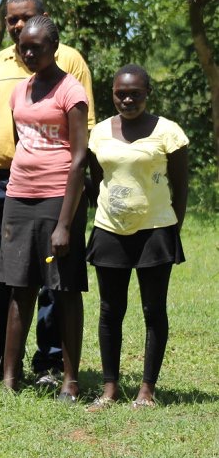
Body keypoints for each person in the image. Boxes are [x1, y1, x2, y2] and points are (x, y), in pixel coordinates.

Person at [0, 0, 94, 383]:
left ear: (53, 47)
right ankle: (10, 376)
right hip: (16, 192)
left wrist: (65, 222)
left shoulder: (70, 87)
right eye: (24, 48)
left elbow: (79, 155)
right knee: (18, 286)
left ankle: (68, 376)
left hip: (58, 195)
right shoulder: (19, 88)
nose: (28, 55)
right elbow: (8, 135)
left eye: (36, 48)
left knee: (62, 288)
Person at [85, 65, 188, 411]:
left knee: (153, 309)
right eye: (120, 93)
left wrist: (173, 226)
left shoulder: (168, 133)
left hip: (155, 232)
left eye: (135, 94)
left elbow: (180, 186)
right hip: (110, 230)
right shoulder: (98, 133)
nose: (127, 99)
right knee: (110, 311)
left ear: (148, 94)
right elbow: (99, 177)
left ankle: (146, 389)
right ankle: (110, 388)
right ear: (112, 93)